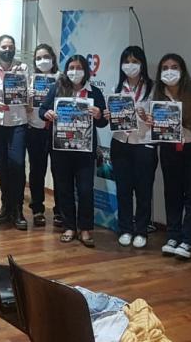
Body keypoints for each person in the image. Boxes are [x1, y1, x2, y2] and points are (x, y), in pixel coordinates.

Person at [148, 53, 191, 261]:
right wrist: (149, 120)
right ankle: (173, 236)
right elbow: (151, 120)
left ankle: (189, 240)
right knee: (172, 193)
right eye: (165, 68)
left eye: (174, 67)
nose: (170, 71)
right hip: (169, 148)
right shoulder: (157, 92)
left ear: (182, 69)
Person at [40, 55, 108, 247]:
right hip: (61, 148)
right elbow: (42, 110)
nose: (74, 71)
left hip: (85, 150)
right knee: (64, 189)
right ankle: (69, 226)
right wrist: (47, 113)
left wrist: (99, 114)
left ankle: (85, 228)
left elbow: (103, 122)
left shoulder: (94, 92)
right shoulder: (57, 88)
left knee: (85, 189)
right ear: (66, 70)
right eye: (71, 67)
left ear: (86, 71)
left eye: (79, 68)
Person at [105, 46, 156, 249]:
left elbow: (162, 117)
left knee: (144, 190)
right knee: (123, 189)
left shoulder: (153, 88)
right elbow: (110, 115)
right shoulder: (116, 87)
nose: (130, 65)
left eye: (135, 61)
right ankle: (125, 228)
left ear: (142, 64)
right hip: (120, 143)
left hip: (144, 143)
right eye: (127, 61)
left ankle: (141, 230)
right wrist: (109, 115)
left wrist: (150, 118)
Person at [0, 34, 31, 230]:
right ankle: (6, 206)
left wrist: (20, 80)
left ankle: (18, 209)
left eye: (11, 47)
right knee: (3, 166)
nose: (7, 50)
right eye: (4, 47)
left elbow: (30, 95)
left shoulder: (23, 68)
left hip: (18, 122)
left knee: (18, 165)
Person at [26, 43, 61, 228]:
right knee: (37, 171)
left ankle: (60, 211)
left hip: (56, 132)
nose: (43, 61)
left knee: (59, 172)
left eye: (46, 57)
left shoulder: (62, 79)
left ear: (53, 58)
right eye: (39, 58)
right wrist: (29, 97)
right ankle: (37, 209)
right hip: (35, 129)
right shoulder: (31, 79)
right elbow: (27, 109)